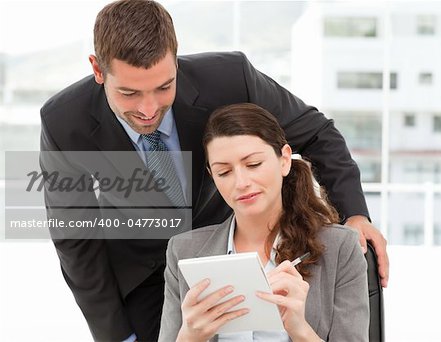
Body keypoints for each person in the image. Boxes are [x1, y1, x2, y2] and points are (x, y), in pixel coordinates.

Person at [39, 0, 386, 341]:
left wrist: (354, 213)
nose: (148, 110)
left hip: (236, 247)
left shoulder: (230, 78)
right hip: (144, 275)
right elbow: (75, 237)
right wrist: (118, 335)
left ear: (175, 61)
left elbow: (316, 133)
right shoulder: (64, 122)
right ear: (98, 70)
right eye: (129, 93)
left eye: (164, 88)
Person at [158, 103, 370, 342]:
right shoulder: (184, 250)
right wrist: (190, 336)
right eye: (224, 172)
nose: (241, 182)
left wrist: (300, 330)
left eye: (253, 165)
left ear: (285, 160)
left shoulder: (340, 247)